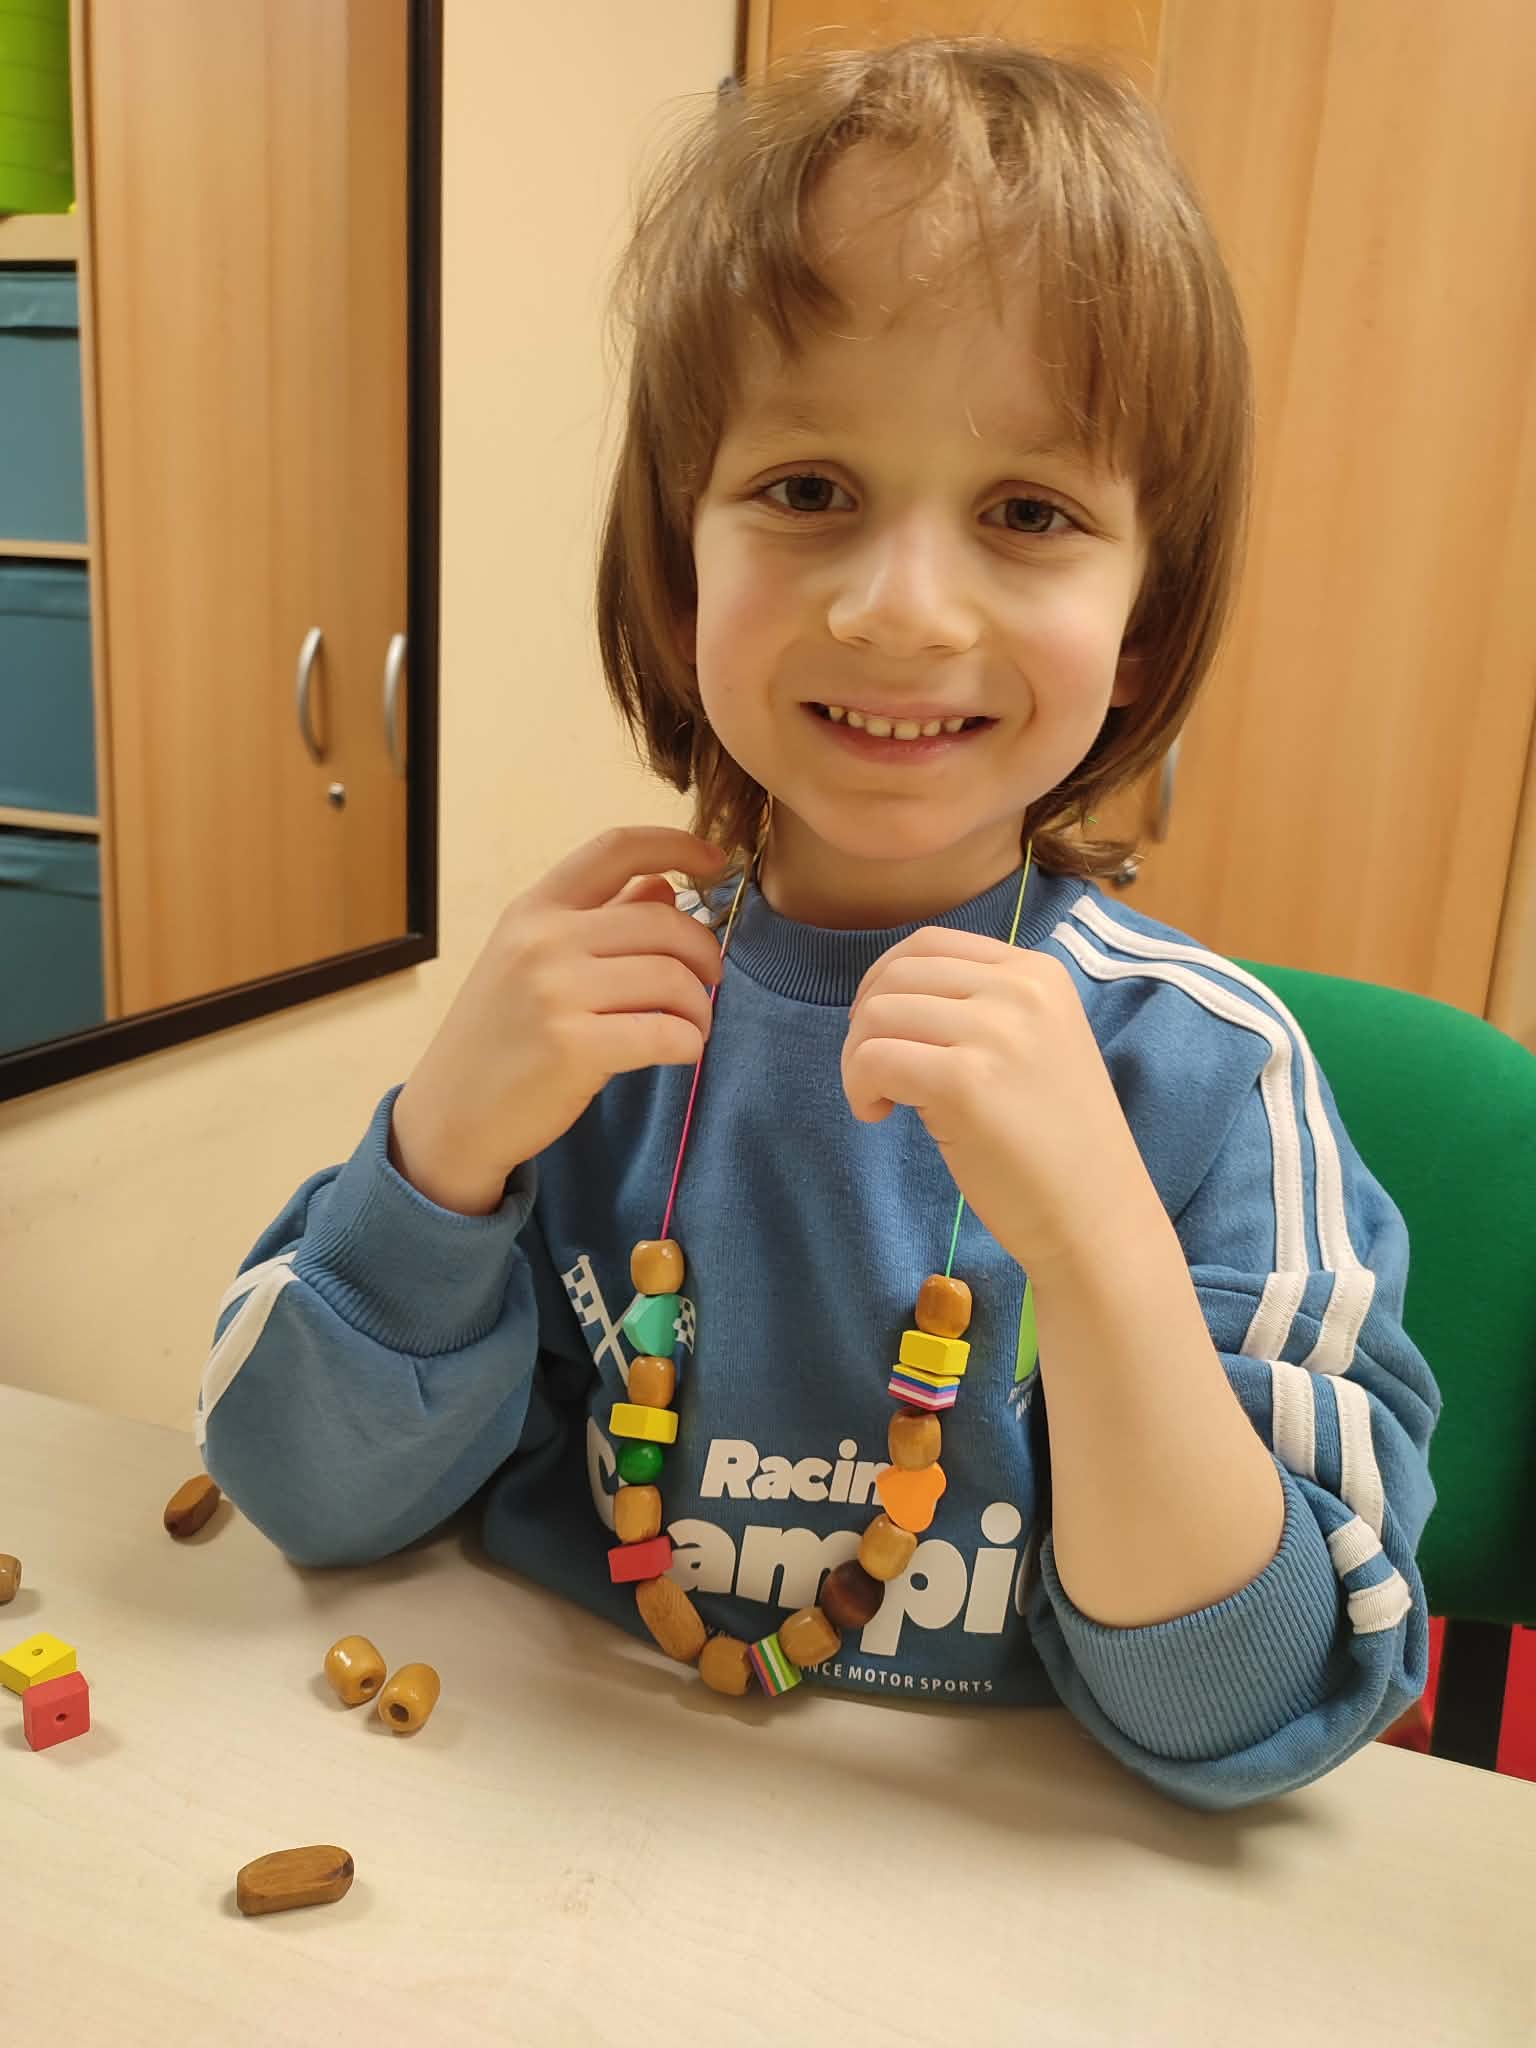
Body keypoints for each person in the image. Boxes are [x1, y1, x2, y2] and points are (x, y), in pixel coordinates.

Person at [198, 35, 1439, 1810]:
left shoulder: (1213, 1077)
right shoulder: (592, 1017)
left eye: (1028, 512)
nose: (901, 610)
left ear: (1144, 630)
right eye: (808, 492)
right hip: (546, 1835)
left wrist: (1099, 1245)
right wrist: (443, 1152)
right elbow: (304, 1496)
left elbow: (1249, 1710)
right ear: (678, 571)